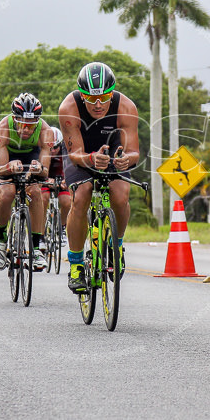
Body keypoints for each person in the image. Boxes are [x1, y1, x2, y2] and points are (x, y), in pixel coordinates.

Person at [58, 62, 141, 294]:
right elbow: (74, 154)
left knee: (121, 194)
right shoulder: (69, 107)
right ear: (81, 95)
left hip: (114, 150)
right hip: (82, 154)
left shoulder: (126, 106)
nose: (97, 104)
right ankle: (75, 265)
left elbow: (134, 150)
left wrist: (127, 160)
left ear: (112, 92)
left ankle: (117, 247)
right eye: (90, 98)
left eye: (104, 97)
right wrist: (91, 159)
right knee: (81, 194)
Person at [0, 92, 53, 271]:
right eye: (22, 125)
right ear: (14, 119)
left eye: (31, 126)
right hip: (8, 158)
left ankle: (36, 247)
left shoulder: (45, 131)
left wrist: (39, 169)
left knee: (35, 192)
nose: (26, 130)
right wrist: (9, 166)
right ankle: (1, 240)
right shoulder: (2, 129)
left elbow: (45, 171)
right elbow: (1, 170)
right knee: (8, 193)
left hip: (32, 156)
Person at [42, 127, 71, 243]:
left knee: (67, 201)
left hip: (60, 179)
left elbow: (70, 169)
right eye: (50, 148)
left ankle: (62, 227)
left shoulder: (65, 152)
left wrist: (66, 180)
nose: (53, 151)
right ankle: (41, 231)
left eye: (56, 147)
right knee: (43, 199)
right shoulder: (41, 151)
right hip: (44, 179)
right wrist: (46, 180)